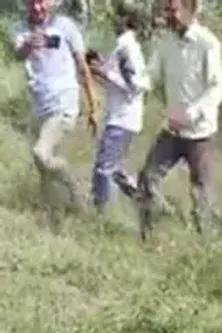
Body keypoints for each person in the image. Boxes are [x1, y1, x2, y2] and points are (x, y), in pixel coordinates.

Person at [136, 0, 222, 240]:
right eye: (167, 10)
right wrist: (122, 77)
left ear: (190, 9)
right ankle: (148, 235)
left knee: (201, 193)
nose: (168, 16)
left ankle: (205, 245)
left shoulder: (208, 44)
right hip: (173, 130)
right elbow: (151, 76)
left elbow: (217, 88)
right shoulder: (166, 43)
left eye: (173, 10)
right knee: (148, 177)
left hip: (200, 133)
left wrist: (191, 113)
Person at [10, 0, 97, 207]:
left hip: (64, 105)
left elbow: (83, 67)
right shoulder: (21, 30)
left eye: (41, 2)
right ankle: (53, 210)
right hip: (41, 107)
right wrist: (28, 45)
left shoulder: (65, 26)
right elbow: (19, 55)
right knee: (44, 169)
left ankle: (75, 187)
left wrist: (93, 105)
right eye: (32, 3)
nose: (37, 7)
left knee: (40, 153)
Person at [86, 2, 147, 211]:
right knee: (115, 169)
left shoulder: (126, 48)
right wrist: (100, 69)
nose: (113, 19)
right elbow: (120, 83)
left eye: (117, 16)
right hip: (124, 117)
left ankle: (98, 213)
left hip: (123, 118)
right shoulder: (125, 47)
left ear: (125, 19)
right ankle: (144, 198)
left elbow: (136, 85)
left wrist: (105, 73)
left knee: (103, 168)